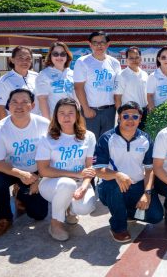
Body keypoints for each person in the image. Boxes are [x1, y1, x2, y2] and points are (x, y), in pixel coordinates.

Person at [95, 102, 162, 243]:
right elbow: (98, 170)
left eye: (135, 116)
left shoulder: (145, 139)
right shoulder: (107, 138)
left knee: (156, 217)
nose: (130, 120)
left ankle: (126, 211)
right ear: (119, 117)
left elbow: (149, 169)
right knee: (114, 184)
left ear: (140, 119)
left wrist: (147, 193)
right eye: (125, 116)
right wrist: (117, 175)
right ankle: (118, 227)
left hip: (136, 185)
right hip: (111, 186)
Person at [0, 89, 50, 237]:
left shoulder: (44, 124)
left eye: (24, 102)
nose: (19, 106)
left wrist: (40, 178)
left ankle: (20, 194)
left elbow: (52, 156)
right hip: (10, 170)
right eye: (14, 102)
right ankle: (4, 218)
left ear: (32, 105)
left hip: (36, 171)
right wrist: (21, 174)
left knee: (39, 214)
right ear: (8, 105)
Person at [36, 98, 97, 241]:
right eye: (62, 113)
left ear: (77, 115)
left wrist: (84, 187)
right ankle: (55, 224)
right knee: (67, 184)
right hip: (52, 184)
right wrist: (75, 174)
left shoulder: (88, 136)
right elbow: (43, 170)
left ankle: (70, 210)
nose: (66, 116)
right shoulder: (47, 138)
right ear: (56, 116)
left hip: (79, 182)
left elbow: (89, 168)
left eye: (71, 113)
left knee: (85, 208)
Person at [74, 31, 122, 140]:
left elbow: (117, 89)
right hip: (91, 110)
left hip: (109, 111)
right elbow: (78, 87)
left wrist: (119, 111)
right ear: (90, 44)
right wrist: (86, 109)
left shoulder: (114, 63)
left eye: (102, 42)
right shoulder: (83, 62)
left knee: (107, 141)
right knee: (90, 141)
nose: (99, 45)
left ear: (108, 44)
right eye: (95, 42)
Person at [0, 46, 39, 119]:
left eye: (28, 58)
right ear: (12, 60)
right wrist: (6, 125)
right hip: (16, 123)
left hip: (36, 122)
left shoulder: (37, 77)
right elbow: (0, 107)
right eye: (21, 58)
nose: (24, 61)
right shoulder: (4, 81)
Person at [35, 41, 75, 120]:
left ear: (67, 56)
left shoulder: (73, 74)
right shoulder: (44, 74)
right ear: (50, 56)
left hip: (72, 118)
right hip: (54, 119)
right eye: (55, 54)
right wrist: (48, 122)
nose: (59, 57)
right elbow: (42, 100)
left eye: (63, 54)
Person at [114, 46, 149, 128]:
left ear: (140, 59)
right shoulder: (121, 75)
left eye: (137, 57)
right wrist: (120, 114)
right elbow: (117, 98)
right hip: (129, 113)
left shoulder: (145, 74)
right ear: (126, 60)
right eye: (131, 58)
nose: (134, 60)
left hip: (144, 112)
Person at [146, 46, 167, 110]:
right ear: (159, 59)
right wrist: (153, 111)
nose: (166, 60)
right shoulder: (153, 76)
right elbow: (149, 96)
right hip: (159, 111)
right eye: (163, 57)